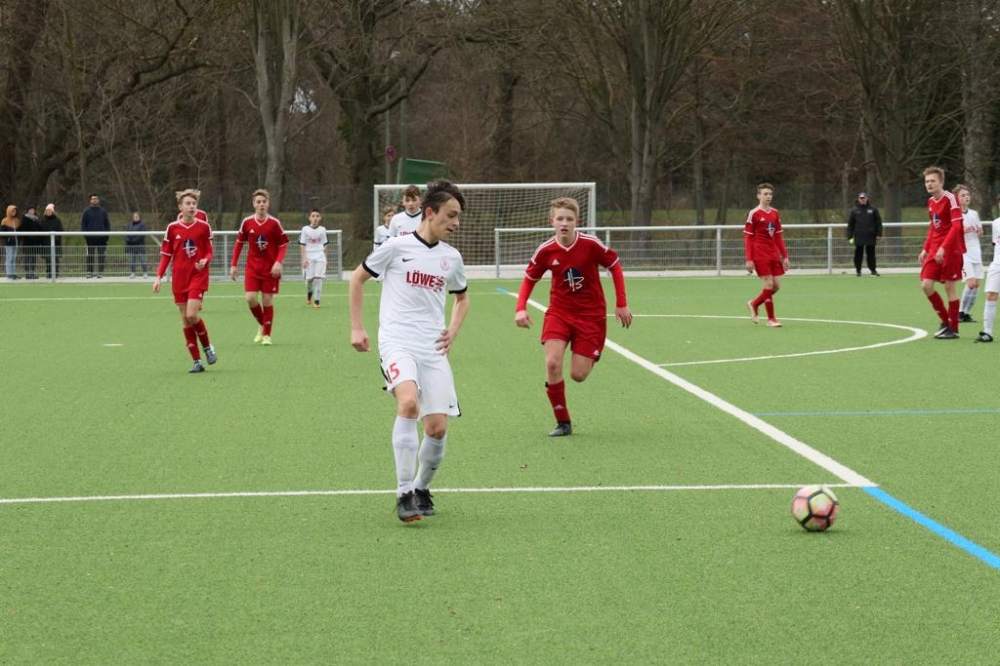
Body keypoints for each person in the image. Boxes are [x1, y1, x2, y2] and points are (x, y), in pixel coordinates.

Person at [349, 180, 469, 522]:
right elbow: (357, 278)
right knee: (408, 403)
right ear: (430, 212)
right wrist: (357, 327)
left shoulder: (451, 258)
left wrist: (453, 331)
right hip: (396, 341)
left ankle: (420, 487)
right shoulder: (395, 247)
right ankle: (403, 493)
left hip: (433, 349)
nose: (456, 222)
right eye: (451, 215)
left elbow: (462, 297)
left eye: (458, 217)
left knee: (437, 428)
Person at [514, 197, 632, 437]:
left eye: (569, 219)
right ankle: (563, 422)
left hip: (591, 316)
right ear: (552, 221)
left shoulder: (590, 245)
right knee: (552, 363)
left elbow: (615, 265)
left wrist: (621, 303)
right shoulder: (546, 250)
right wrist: (520, 307)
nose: (564, 223)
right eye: (560, 219)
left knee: (578, 375)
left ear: (577, 221)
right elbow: (530, 278)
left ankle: (590, 353)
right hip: (559, 313)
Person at [152, 189, 217, 373]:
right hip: (179, 278)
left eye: (194, 203)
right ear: (180, 207)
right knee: (185, 319)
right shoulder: (172, 228)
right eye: (188, 203)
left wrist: (205, 260)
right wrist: (158, 277)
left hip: (198, 276)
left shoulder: (203, 227)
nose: (192, 206)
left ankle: (208, 347)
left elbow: (209, 250)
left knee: (192, 314)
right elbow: (166, 255)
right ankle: (197, 361)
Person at [229, 189, 289, 345]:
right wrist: (234, 264)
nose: (261, 204)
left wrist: (278, 262)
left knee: (267, 300)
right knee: (250, 298)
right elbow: (239, 243)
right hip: (253, 268)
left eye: (264, 201)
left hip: (270, 269)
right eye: (258, 202)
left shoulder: (274, 223)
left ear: (268, 204)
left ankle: (267, 335)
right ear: (253, 204)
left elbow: (283, 244)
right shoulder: (247, 222)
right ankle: (263, 325)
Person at [918, 166, 965, 339]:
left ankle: (954, 329)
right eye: (927, 181)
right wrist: (925, 248)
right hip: (935, 250)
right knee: (926, 285)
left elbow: (956, 226)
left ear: (941, 182)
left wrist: (944, 248)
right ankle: (946, 321)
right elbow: (933, 227)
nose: (929, 184)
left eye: (933, 181)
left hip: (951, 250)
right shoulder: (931, 202)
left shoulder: (951, 199)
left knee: (949, 286)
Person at [744, 182, 790, 327]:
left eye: (770, 194)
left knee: (776, 286)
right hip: (759, 252)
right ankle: (771, 319)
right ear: (758, 196)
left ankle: (754, 303)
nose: (768, 196)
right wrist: (749, 259)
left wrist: (785, 256)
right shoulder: (754, 213)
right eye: (765, 194)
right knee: (768, 283)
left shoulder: (775, 213)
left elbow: (778, 236)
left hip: (773, 253)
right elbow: (748, 237)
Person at [954, 185, 983, 323]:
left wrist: (979, 230)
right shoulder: (954, 215)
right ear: (957, 198)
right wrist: (962, 230)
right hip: (963, 253)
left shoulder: (974, 214)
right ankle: (959, 312)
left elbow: (980, 231)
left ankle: (966, 313)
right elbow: (950, 234)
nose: (966, 197)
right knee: (971, 283)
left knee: (976, 285)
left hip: (976, 252)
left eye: (967, 195)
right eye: (963, 195)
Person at [974, 195, 1000, 344]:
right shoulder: (996, 223)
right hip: (997, 264)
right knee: (991, 295)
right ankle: (988, 333)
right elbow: (995, 244)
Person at [846, 192, 882, 276]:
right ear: (858, 199)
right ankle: (858, 270)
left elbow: (878, 222)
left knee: (871, 254)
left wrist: (879, 234)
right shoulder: (854, 210)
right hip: (859, 236)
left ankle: (873, 270)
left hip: (870, 236)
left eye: (864, 198)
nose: (862, 200)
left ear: (867, 199)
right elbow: (850, 224)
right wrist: (849, 236)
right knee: (858, 254)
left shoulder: (873, 209)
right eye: (861, 198)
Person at [299, 208, 329, 308]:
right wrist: (304, 258)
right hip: (309, 256)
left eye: (317, 216)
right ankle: (309, 294)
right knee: (309, 280)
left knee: (318, 278)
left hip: (320, 256)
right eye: (313, 216)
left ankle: (317, 301)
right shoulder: (305, 229)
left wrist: (326, 259)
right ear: (309, 218)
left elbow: (325, 244)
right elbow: (302, 245)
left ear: (320, 218)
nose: (315, 218)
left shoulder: (323, 230)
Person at [81, 193, 110, 278]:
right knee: (90, 255)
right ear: (90, 200)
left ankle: (100, 272)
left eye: (96, 199)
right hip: (90, 238)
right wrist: (86, 235)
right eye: (93, 199)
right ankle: (89, 272)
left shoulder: (103, 211)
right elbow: (83, 225)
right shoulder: (86, 211)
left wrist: (106, 236)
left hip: (102, 238)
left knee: (101, 256)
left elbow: (107, 224)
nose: (94, 200)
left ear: (98, 200)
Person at [39, 204, 63, 279]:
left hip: (56, 243)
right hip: (46, 243)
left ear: (52, 211)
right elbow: (40, 231)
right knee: (48, 259)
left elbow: (60, 230)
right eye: (47, 210)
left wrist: (56, 238)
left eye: (50, 210)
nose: (48, 212)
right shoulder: (42, 220)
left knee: (55, 259)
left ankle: (55, 273)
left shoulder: (57, 220)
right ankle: (49, 273)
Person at [124, 211, 150, 278]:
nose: (135, 218)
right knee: (132, 260)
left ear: (139, 217)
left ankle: (145, 273)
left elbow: (141, 235)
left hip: (140, 245)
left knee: (142, 259)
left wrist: (134, 240)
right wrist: (128, 240)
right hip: (131, 245)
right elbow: (126, 234)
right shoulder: (129, 225)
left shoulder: (142, 225)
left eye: (137, 216)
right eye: (134, 216)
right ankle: (132, 273)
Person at [19, 204, 41, 279]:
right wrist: (30, 236)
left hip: (35, 242)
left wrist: (38, 239)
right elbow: (23, 229)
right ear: (28, 210)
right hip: (27, 242)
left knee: (33, 257)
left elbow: (39, 229)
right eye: (30, 210)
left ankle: (32, 272)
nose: (32, 211)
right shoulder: (25, 218)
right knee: (28, 257)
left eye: (33, 210)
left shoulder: (37, 219)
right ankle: (28, 273)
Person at [1, 205, 19, 279]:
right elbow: (2, 233)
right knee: (9, 258)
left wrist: (19, 239)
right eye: (12, 211)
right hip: (9, 243)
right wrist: (8, 238)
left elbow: (20, 232)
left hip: (16, 243)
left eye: (15, 211)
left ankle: (14, 273)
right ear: (9, 211)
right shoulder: (4, 221)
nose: (14, 212)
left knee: (14, 258)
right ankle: (9, 274)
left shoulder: (17, 221)